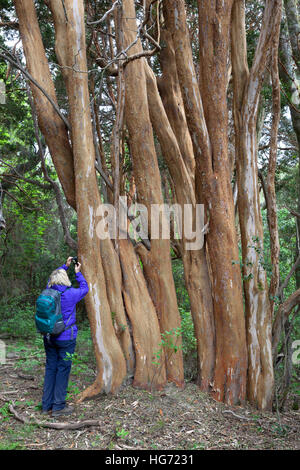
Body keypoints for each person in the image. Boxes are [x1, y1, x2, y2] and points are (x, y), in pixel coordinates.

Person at [41, 257, 89, 417]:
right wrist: (77, 273)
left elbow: (51, 279)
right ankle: (58, 407)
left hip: (48, 337)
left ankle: (46, 405)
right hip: (66, 338)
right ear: (64, 279)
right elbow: (85, 288)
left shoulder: (47, 291)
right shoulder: (71, 294)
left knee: (50, 368)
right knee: (62, 370)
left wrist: (64, 266)